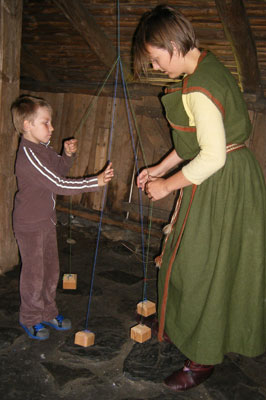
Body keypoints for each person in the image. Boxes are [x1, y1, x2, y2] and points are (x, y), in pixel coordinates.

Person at [133, 5, 266, 391]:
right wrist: (159, 168)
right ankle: (186, 325)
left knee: (203, 265)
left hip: (221, 181)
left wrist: (166, 186)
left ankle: (203, 358)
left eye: (157, 59)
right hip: (233, 175)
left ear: (173, 45)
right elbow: (199, 139)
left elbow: (211, 154)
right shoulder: (208, 67)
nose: (158, 68)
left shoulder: (199, 87)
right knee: (200, 259)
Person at [11, 95, 114, 341]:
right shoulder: (28, 155)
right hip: (29, 225)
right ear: (27, 125)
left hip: (45, 222)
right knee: (34, 275)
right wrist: (95, 182)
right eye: (46, 122)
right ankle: (30, 317)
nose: (52, 128)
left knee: (51, 271)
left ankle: (47, 311)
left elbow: (58, 171)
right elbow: (58, 184)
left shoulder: (42, 150)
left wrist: (66, 156)